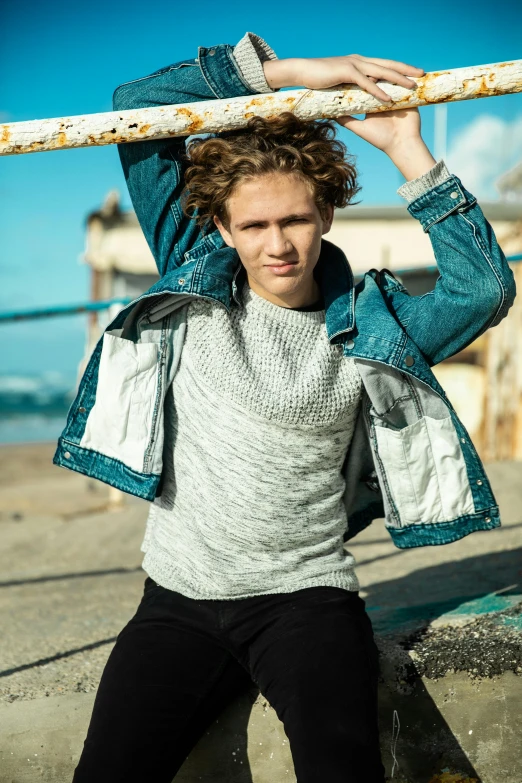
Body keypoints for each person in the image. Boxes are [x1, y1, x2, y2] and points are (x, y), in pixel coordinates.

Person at [60, 33, 516, 783]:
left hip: (306, 603)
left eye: (296, 220)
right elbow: (134, 108)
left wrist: (409, 147)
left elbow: (484, 290)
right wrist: (296, 75)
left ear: (328, 214)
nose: (277, 245)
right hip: (177, 598)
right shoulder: (192, 278)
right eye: (254, 226)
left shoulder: (377, 322)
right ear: (220, 228)